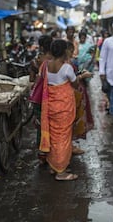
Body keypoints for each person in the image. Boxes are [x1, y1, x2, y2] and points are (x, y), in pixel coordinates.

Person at [39, 39, 92, 181]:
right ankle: (61, 172)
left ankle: (54, 166)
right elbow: (75, 84)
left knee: (54, 136)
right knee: (63, 138)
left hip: (50, 106)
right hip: (64, 107)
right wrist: (83, 76)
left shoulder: (45, 65)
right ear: (64, 52)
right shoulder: (67, 68)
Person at [30, 35, 53, 164]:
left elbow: (35, 78)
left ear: (42, 46)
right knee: (50, 125)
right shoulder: (54, 60)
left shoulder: (39, 60)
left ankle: (42, 151)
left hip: (40, 97)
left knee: (41, 125)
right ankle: (49, 151)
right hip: (51, 97)